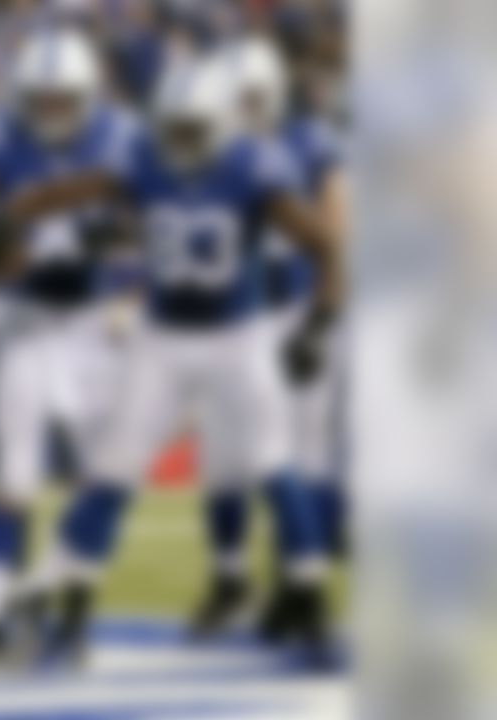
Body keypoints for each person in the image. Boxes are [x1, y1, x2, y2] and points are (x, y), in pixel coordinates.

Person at [0, 54, 342, 666]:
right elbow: (72, 190)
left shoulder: (253, 165)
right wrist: (7, 215)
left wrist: (317, 324)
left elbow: (327, 245)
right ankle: (58, 598)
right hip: (161, 337)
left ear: (220, 122)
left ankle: (307, 594)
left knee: (271, 464)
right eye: (172, 126)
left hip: (238, 335)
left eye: (192, 127)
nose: (180, 139)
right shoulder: (142, 156)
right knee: (114, 470)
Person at [0, 29, 139, 656]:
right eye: (42, 98)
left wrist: (110, 233)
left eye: (65, 99)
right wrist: (25, 230)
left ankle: (74, 612)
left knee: (103, 472)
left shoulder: (120, 133)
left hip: (95, 314)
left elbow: (144, 221)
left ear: (88, 96)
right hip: (24, 312)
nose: (53, 110)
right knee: (14, 472)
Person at [188, 34, 348, 640]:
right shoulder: (212, 148)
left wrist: (322, 318)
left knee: (298, 455)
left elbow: (336, 227)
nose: (244, 106)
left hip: (296, 309)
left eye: (254, 95)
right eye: (235, 96)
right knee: (225, 458)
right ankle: (230, 578)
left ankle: (298, 587)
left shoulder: (309, 141)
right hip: (237, 318)